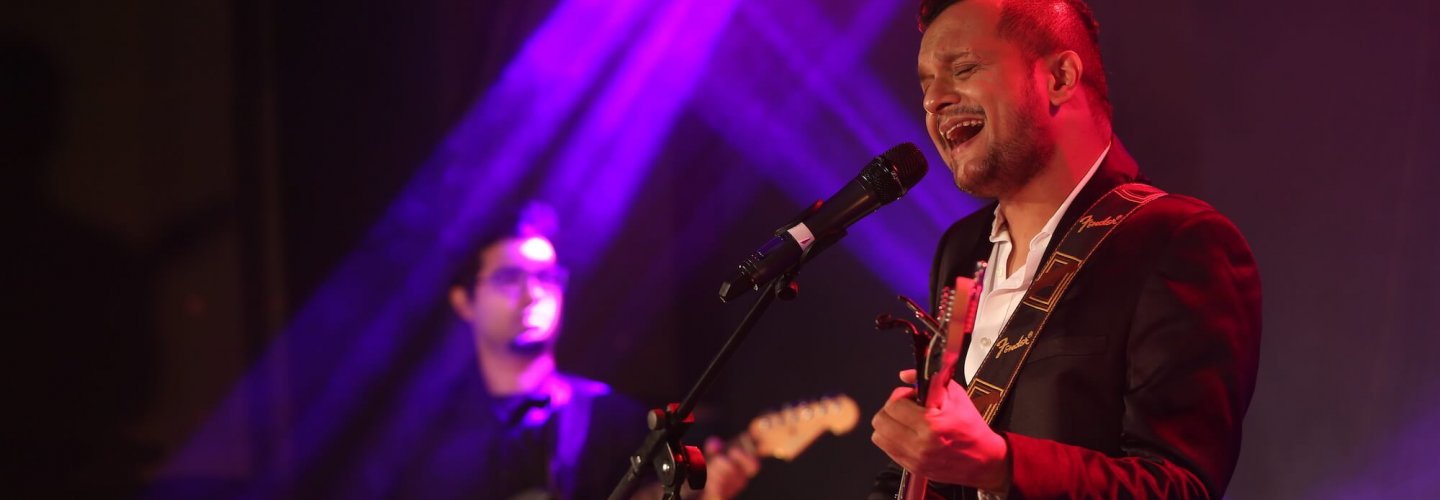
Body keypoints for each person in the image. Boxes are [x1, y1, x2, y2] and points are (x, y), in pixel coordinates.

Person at [868, 1, 1262, 498]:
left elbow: (1180, 487)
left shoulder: (1178, 241)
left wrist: (1001, 465)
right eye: (926, 84)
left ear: (1059, 77)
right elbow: (944, 470)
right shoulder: (961, 251)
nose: (934, 100)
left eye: (963, 69)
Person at [407, 202, 759, 499]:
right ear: (464, 300)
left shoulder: (613, 419)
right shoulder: (425, 439)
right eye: (509, 278)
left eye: (546, 277)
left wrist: (706, 493)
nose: (533, 294)